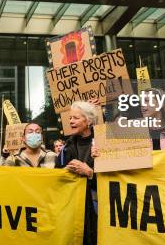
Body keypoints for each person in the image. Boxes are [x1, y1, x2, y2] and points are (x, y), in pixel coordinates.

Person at [57, 101, 97, 245]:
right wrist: (64, 173)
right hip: (74, 211)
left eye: (76, 118)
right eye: (70, 118)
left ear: (89, 121)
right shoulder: (66, 147)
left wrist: (90, 173)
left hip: (98, 210)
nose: (71, 121)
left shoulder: (104, 142)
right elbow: (57, 178)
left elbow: (115, 179)